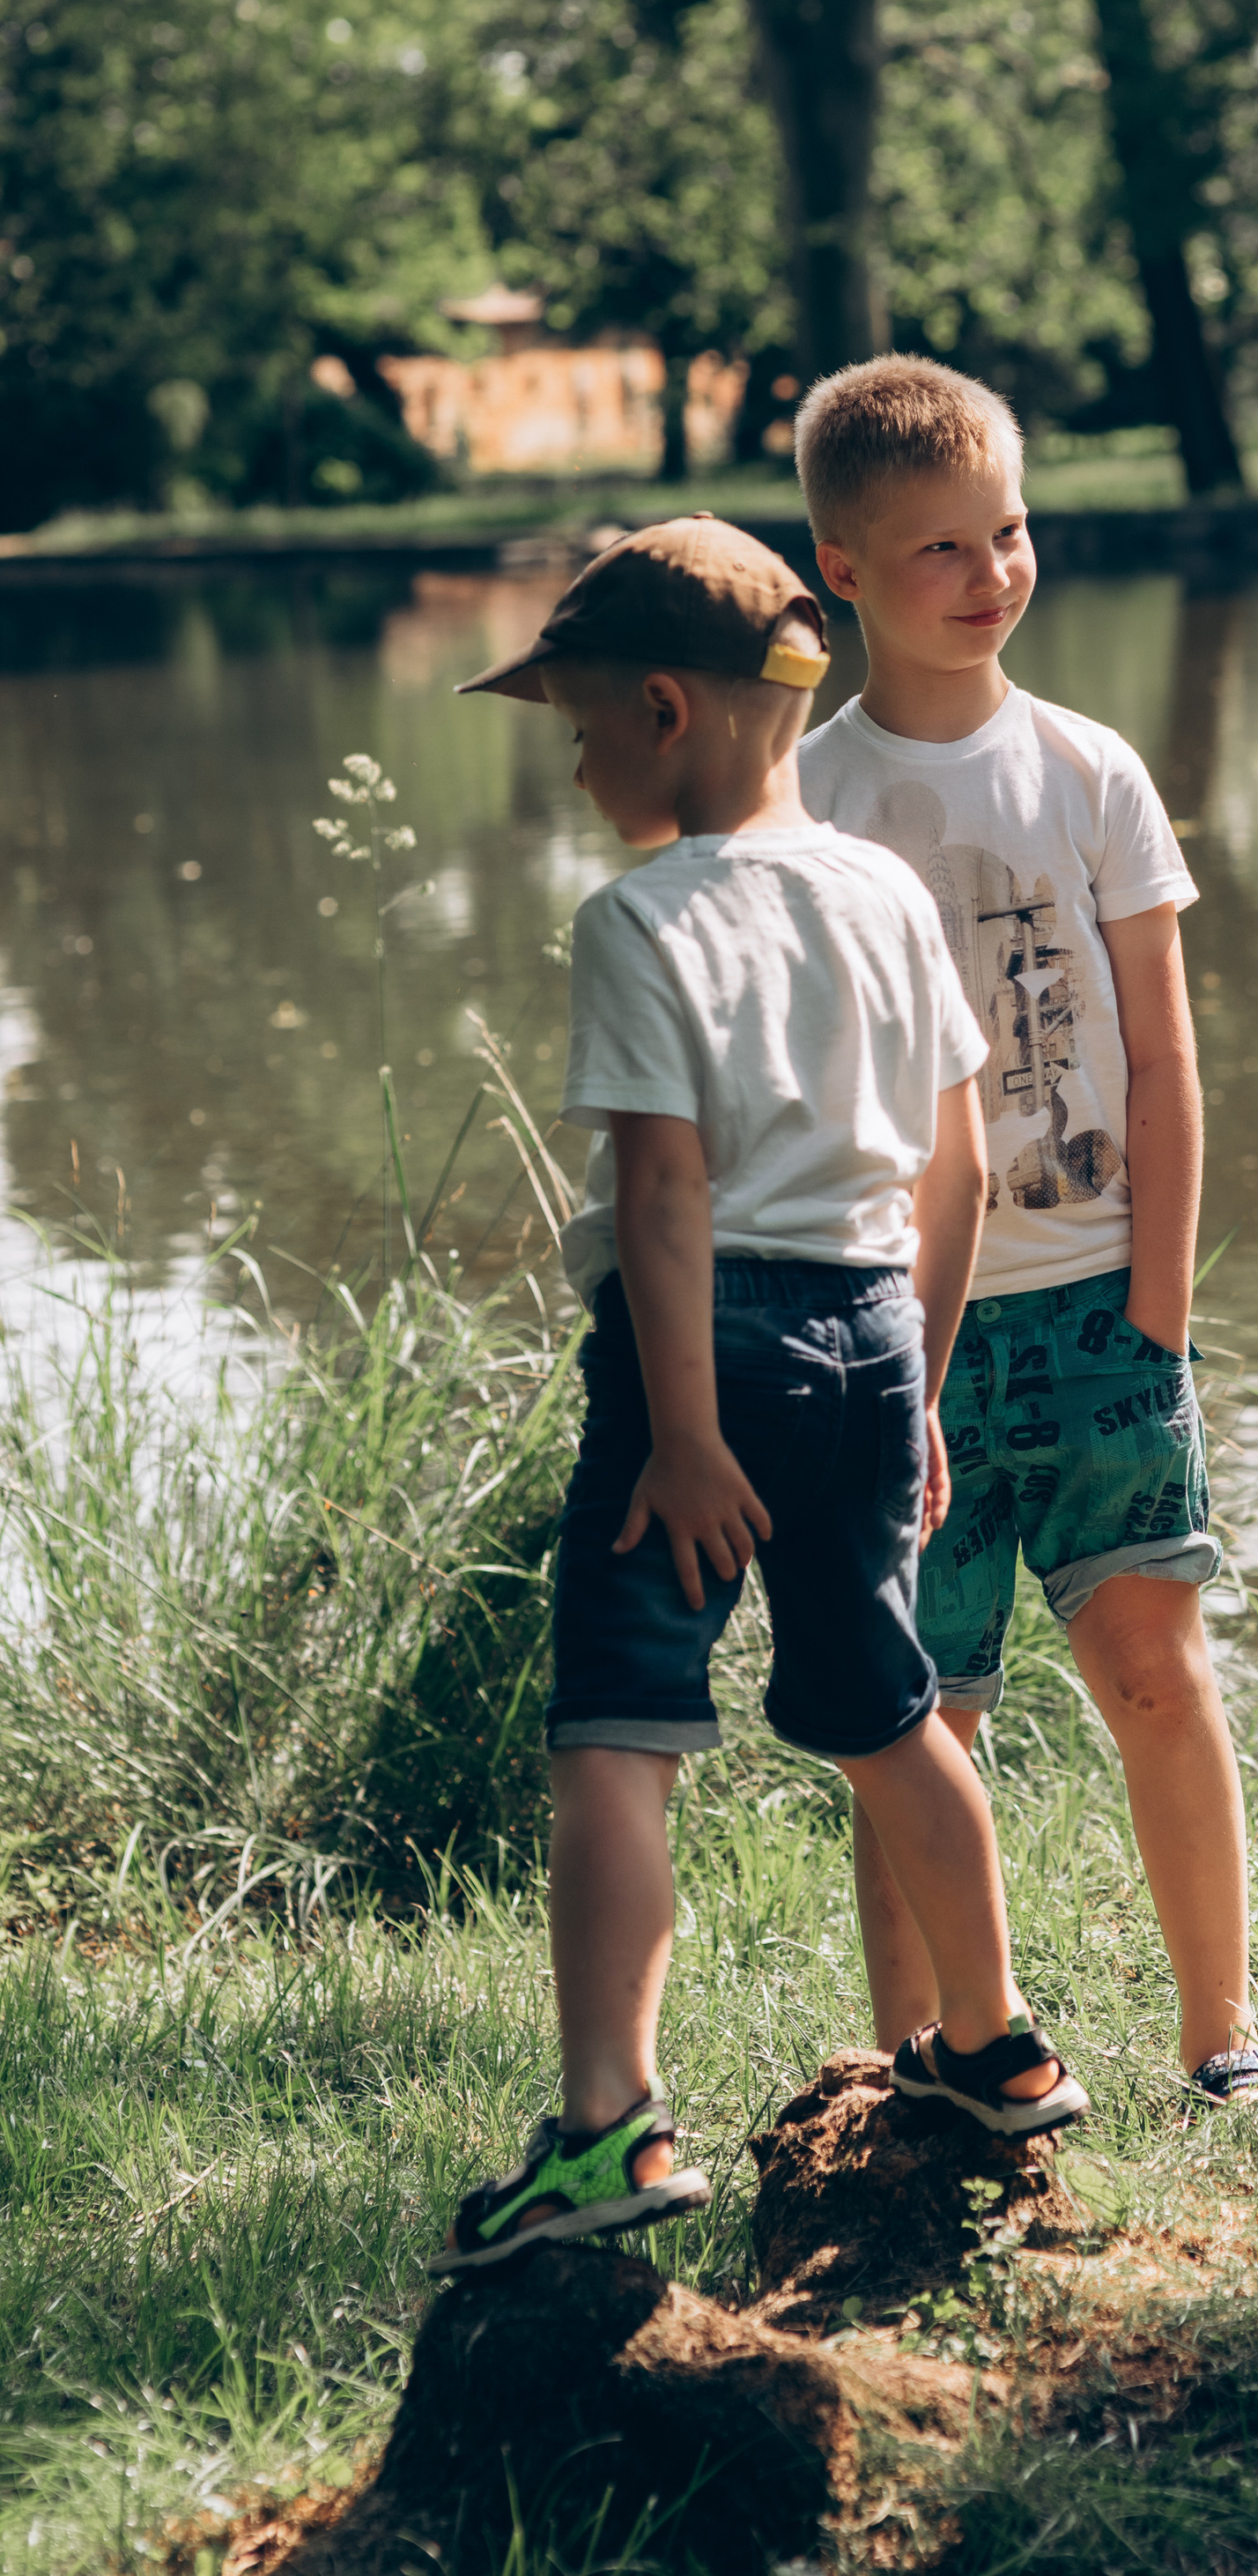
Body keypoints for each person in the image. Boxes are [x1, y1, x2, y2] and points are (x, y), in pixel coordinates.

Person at [434, 516, 1089, 2272]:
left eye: (583, 728)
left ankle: (606, 2125)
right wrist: (918, 1389)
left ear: (665, 708)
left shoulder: (641, 918)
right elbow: (960, 1172)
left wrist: (683, 1436)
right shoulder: (881, 892)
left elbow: (663, 1196)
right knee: (887, 1704)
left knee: (615, 1730)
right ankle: (993, 2043)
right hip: (872, 1332)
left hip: (702, 1353)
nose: (578, 768)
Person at [793, 360, 1258, 2109]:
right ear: (842, 568)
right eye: (939, 547)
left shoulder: (1087, 769)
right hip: (898, 1341)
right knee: (919, 1716)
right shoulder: (806, 801)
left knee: (1154, 1670)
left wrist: (1159, 1302)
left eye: (1007, 531)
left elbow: (1165, 1052)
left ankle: (1222, 2033)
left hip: (1095, 1313)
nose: (990, 572)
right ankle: (923, 2057)